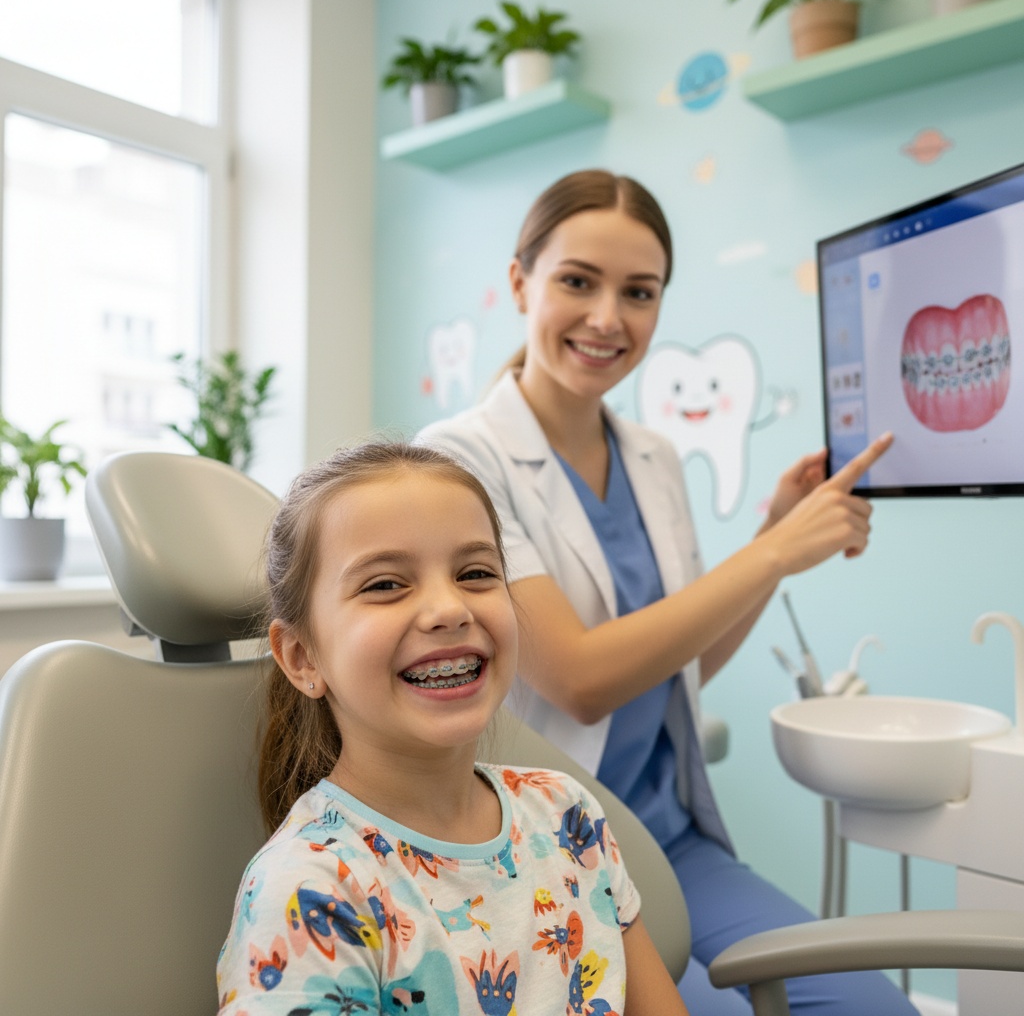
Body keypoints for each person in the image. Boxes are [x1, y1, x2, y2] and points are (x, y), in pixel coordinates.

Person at [418, 170, 917, 1015]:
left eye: (638, 293)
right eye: (578, 281)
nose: (608, 316)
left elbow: (679, 665)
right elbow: (578, 678)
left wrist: (774, 543)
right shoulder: (459, 458)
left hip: (668, 839)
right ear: (519, 283)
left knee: (877, 1008)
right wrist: (771, 557)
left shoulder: (655, 459)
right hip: (547, 855)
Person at [216, 440, 689, 1015]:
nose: (450, 607)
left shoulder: (566, 814)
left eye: (475, 573)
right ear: (301, 657)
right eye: (385, 584)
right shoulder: (313, 891)